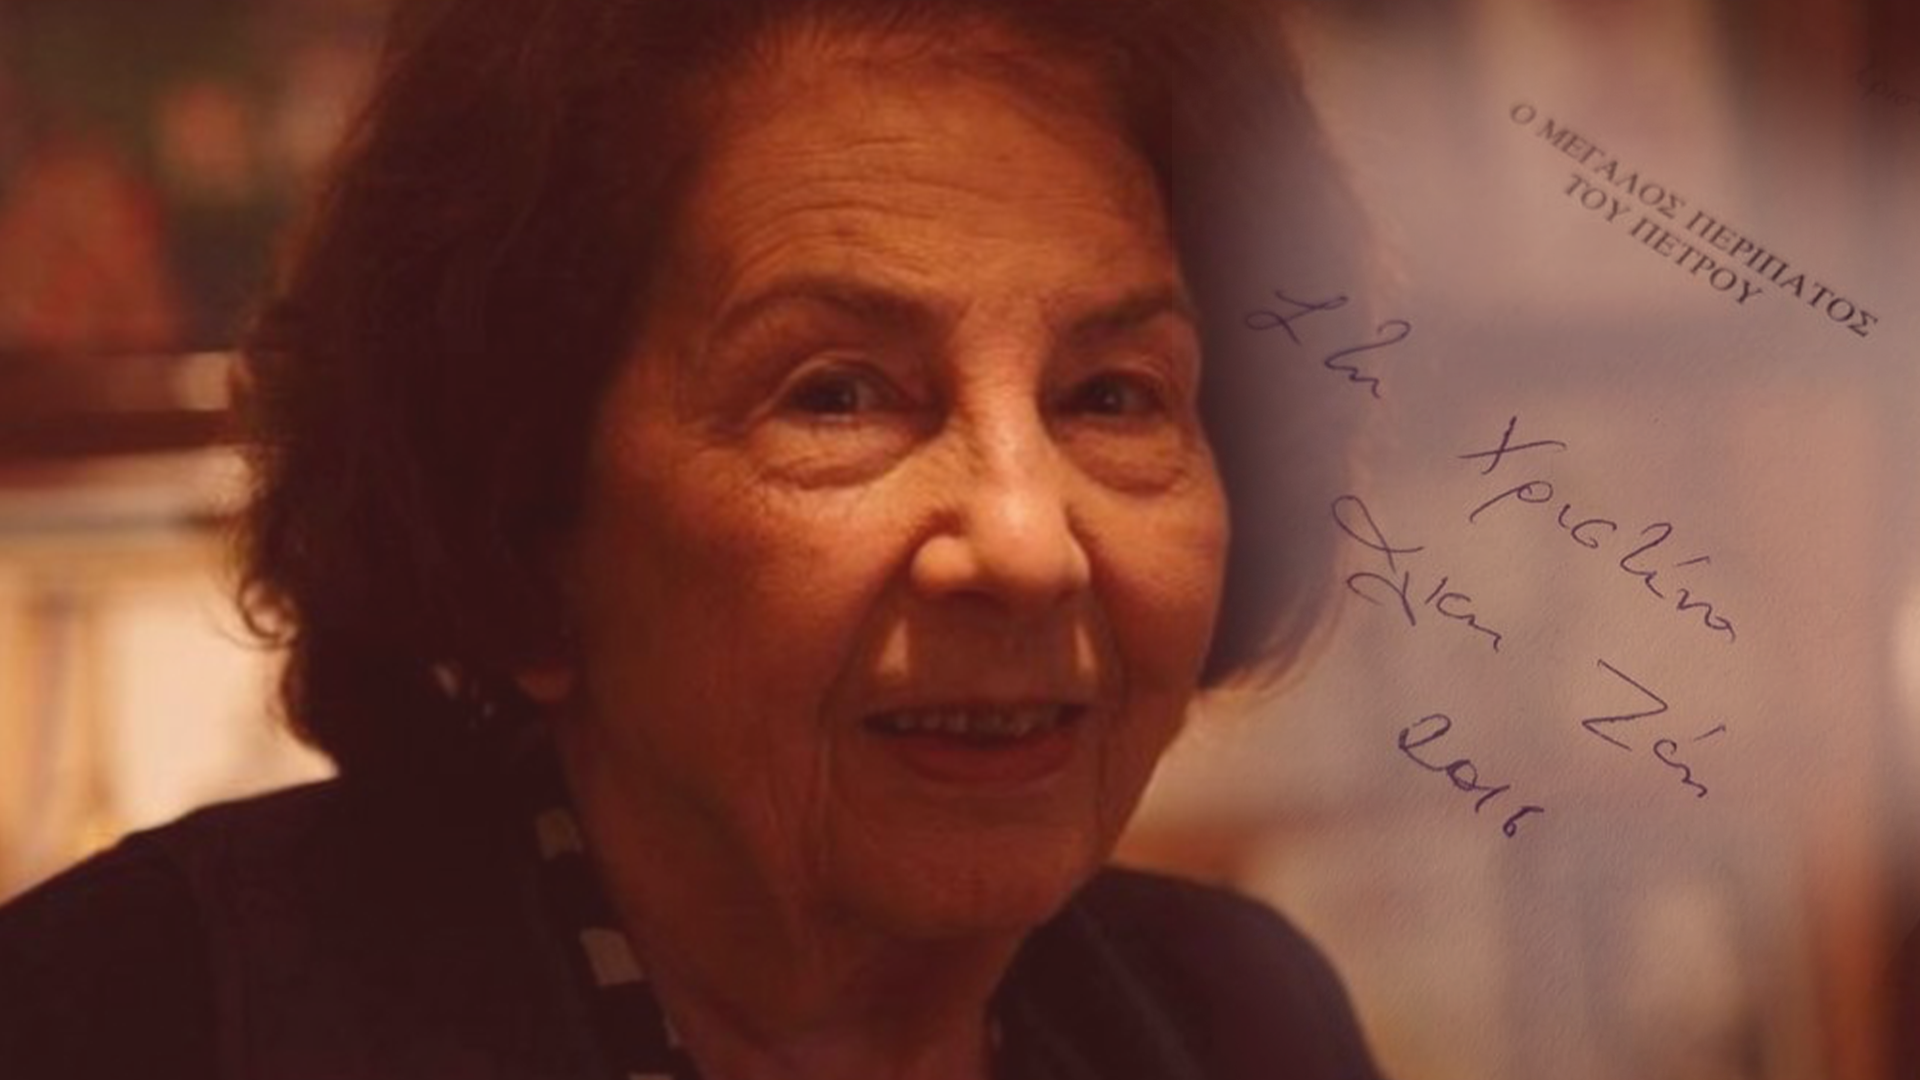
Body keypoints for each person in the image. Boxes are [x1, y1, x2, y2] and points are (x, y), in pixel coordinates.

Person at [0, 0, 1382, 1076]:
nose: (1027, 546)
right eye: (838, 395)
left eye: (1112, 397)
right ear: (525, 518)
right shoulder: (141, 1016)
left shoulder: (1241, 1022)